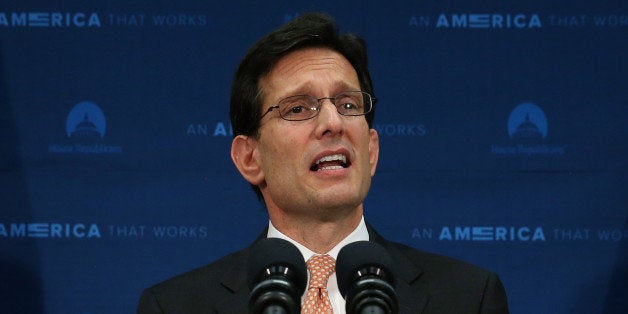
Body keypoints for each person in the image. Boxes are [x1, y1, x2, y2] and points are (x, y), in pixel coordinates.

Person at [137, 13, 509, 314]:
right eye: (298, 108)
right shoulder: (175, 306)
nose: (333, 122)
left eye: (348, 105)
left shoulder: (467, 297)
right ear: (250, 158)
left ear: (371, 150)